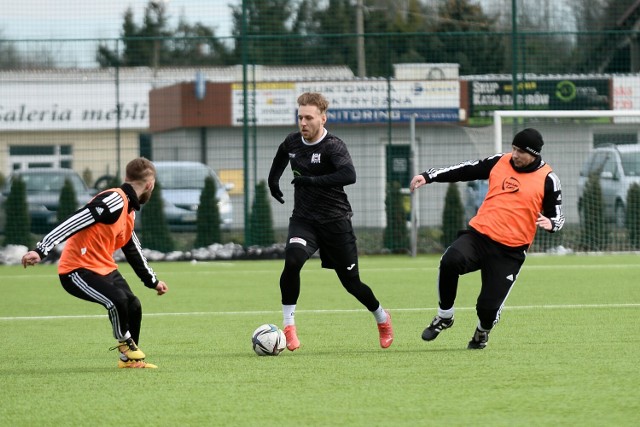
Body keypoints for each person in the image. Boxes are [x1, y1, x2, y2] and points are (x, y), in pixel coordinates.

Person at [410, 128, 564, 349]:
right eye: (513, 148)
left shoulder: (549, 179)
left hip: (510, 251)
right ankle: (445, 315)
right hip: (479, 236)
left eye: (521, 151)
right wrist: (429, 176)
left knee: (487, 309)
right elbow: (465, 170)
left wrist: (552, 224)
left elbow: (557, 216)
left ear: (534, 154)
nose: (515, 154)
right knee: (450, 260)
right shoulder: (499, 162)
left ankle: (482, 332)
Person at [267, 92, 394, 351]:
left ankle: (381, 317)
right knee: (292, 260)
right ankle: (289, 326)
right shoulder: (293, 141)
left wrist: (311, 181)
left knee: (352, 283)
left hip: (336, 222)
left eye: (309, 118)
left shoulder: (333, 146)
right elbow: (282, 154)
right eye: (300, 117)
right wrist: (273, 181)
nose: (303, 123)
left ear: (323, 119)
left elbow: (349, 175)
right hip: (304, 220)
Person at [21, 157, 168, 368]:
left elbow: (132, 249)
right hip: (76, 271)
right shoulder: (114, 200)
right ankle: (125, 344)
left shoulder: (129, 210)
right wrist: (41, 250)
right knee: (116, 300)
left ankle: (128, 361)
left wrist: (152, 281)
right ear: (149, 184)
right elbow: (75, 220)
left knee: (133, 305)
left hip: (104, 269)